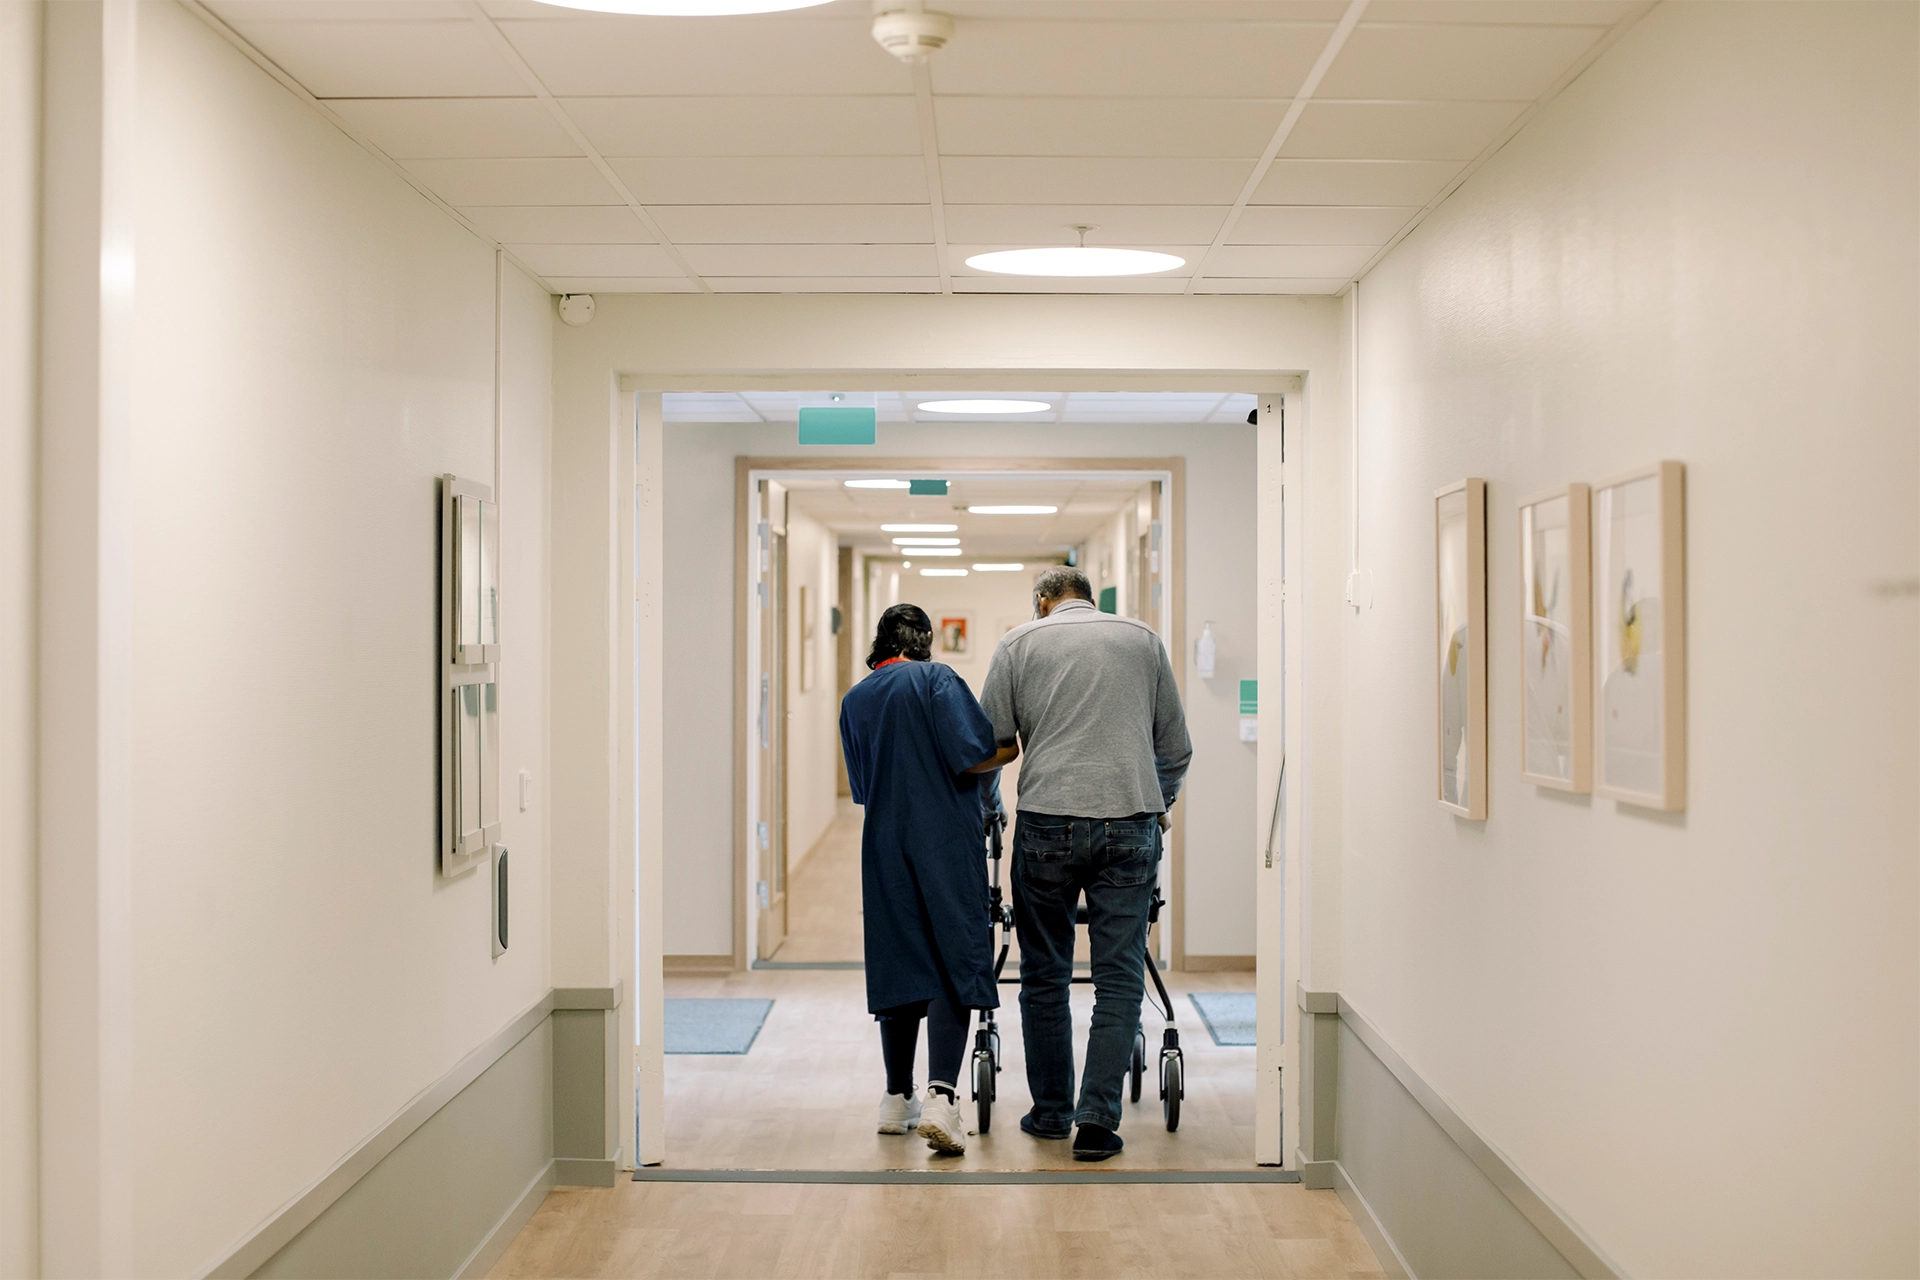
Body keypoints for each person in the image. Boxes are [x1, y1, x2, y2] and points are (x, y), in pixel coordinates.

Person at [976, 566, 1192, 1162]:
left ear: (1043, 602)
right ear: (1091, 600)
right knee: (1119, 974)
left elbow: (993, 742)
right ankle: (1097, 1121)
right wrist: (1157, 804)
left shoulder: (1020, 643)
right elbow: (1174, 749)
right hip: (1130, 820)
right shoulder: (1143, 641)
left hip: (1047, 820)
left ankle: (1050, 1114)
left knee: (1044, 973)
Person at [838, 603, 1004, 1155]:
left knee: (900, 958)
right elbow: (976, 755)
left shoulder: (856, 699)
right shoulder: (936, 679)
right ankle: (941, 1097)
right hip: (944, 841)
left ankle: (894, 1098)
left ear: (880, 644)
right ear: (925, 641)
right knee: (954, 957)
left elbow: (862, 787)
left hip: (884, 843)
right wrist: (1013, 743)